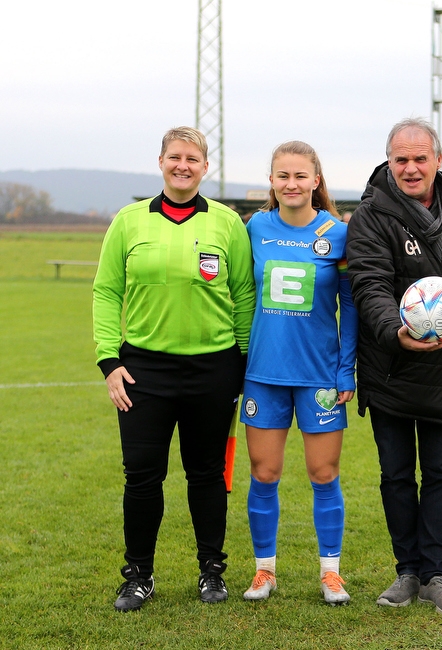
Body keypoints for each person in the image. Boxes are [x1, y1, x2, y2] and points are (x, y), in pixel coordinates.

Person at [92, 126, 256, 612]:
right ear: (160, 161)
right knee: (142, 476)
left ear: (206, 167)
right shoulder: (128, 220)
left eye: (193, 159)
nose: (183, 165)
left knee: (206, 474)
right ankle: (139, 575)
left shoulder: (227, 224)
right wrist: (109, 361)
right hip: (144, 372)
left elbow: (244, 294)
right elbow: (106, 292)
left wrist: (243, 363)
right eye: (174, 157)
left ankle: (212, 571)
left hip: (214, 369)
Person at [345, 118, 442, 616]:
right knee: (396, 474)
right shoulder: (369, 216)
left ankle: (436, 574)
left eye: (419, 158)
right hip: (390, 365)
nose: (410, 168)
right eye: (401, 159)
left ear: (438, 159)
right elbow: (369, 284)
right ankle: (407, 570)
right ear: (389, 162)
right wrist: (397, 332)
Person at [238, 141, 357, 605]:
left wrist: (345, 370)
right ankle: (263, 571)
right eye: (282, 175)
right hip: (263, 374)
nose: (291, 184)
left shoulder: (338, 234)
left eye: (300, 176)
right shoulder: (254, 228)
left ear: (316, 181)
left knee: (323, 473)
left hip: (320, 375)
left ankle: (331, 573)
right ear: (272, 181)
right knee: (264, 473)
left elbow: (351, 308)